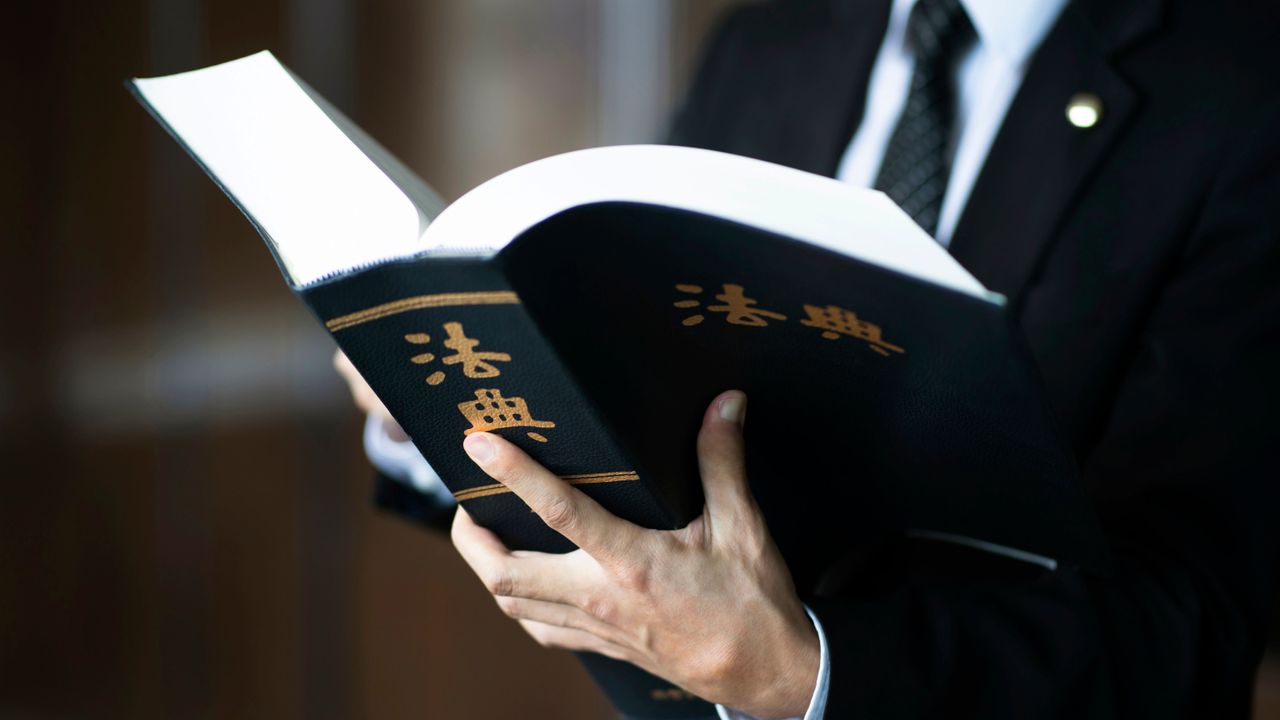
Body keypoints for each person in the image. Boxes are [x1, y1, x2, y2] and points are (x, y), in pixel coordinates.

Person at [338, 0, 1280, 716]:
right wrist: (440, 398)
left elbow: (1197, 618)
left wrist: (801, 670)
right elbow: (643, 386)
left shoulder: (1241, 88)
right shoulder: (777, 34)